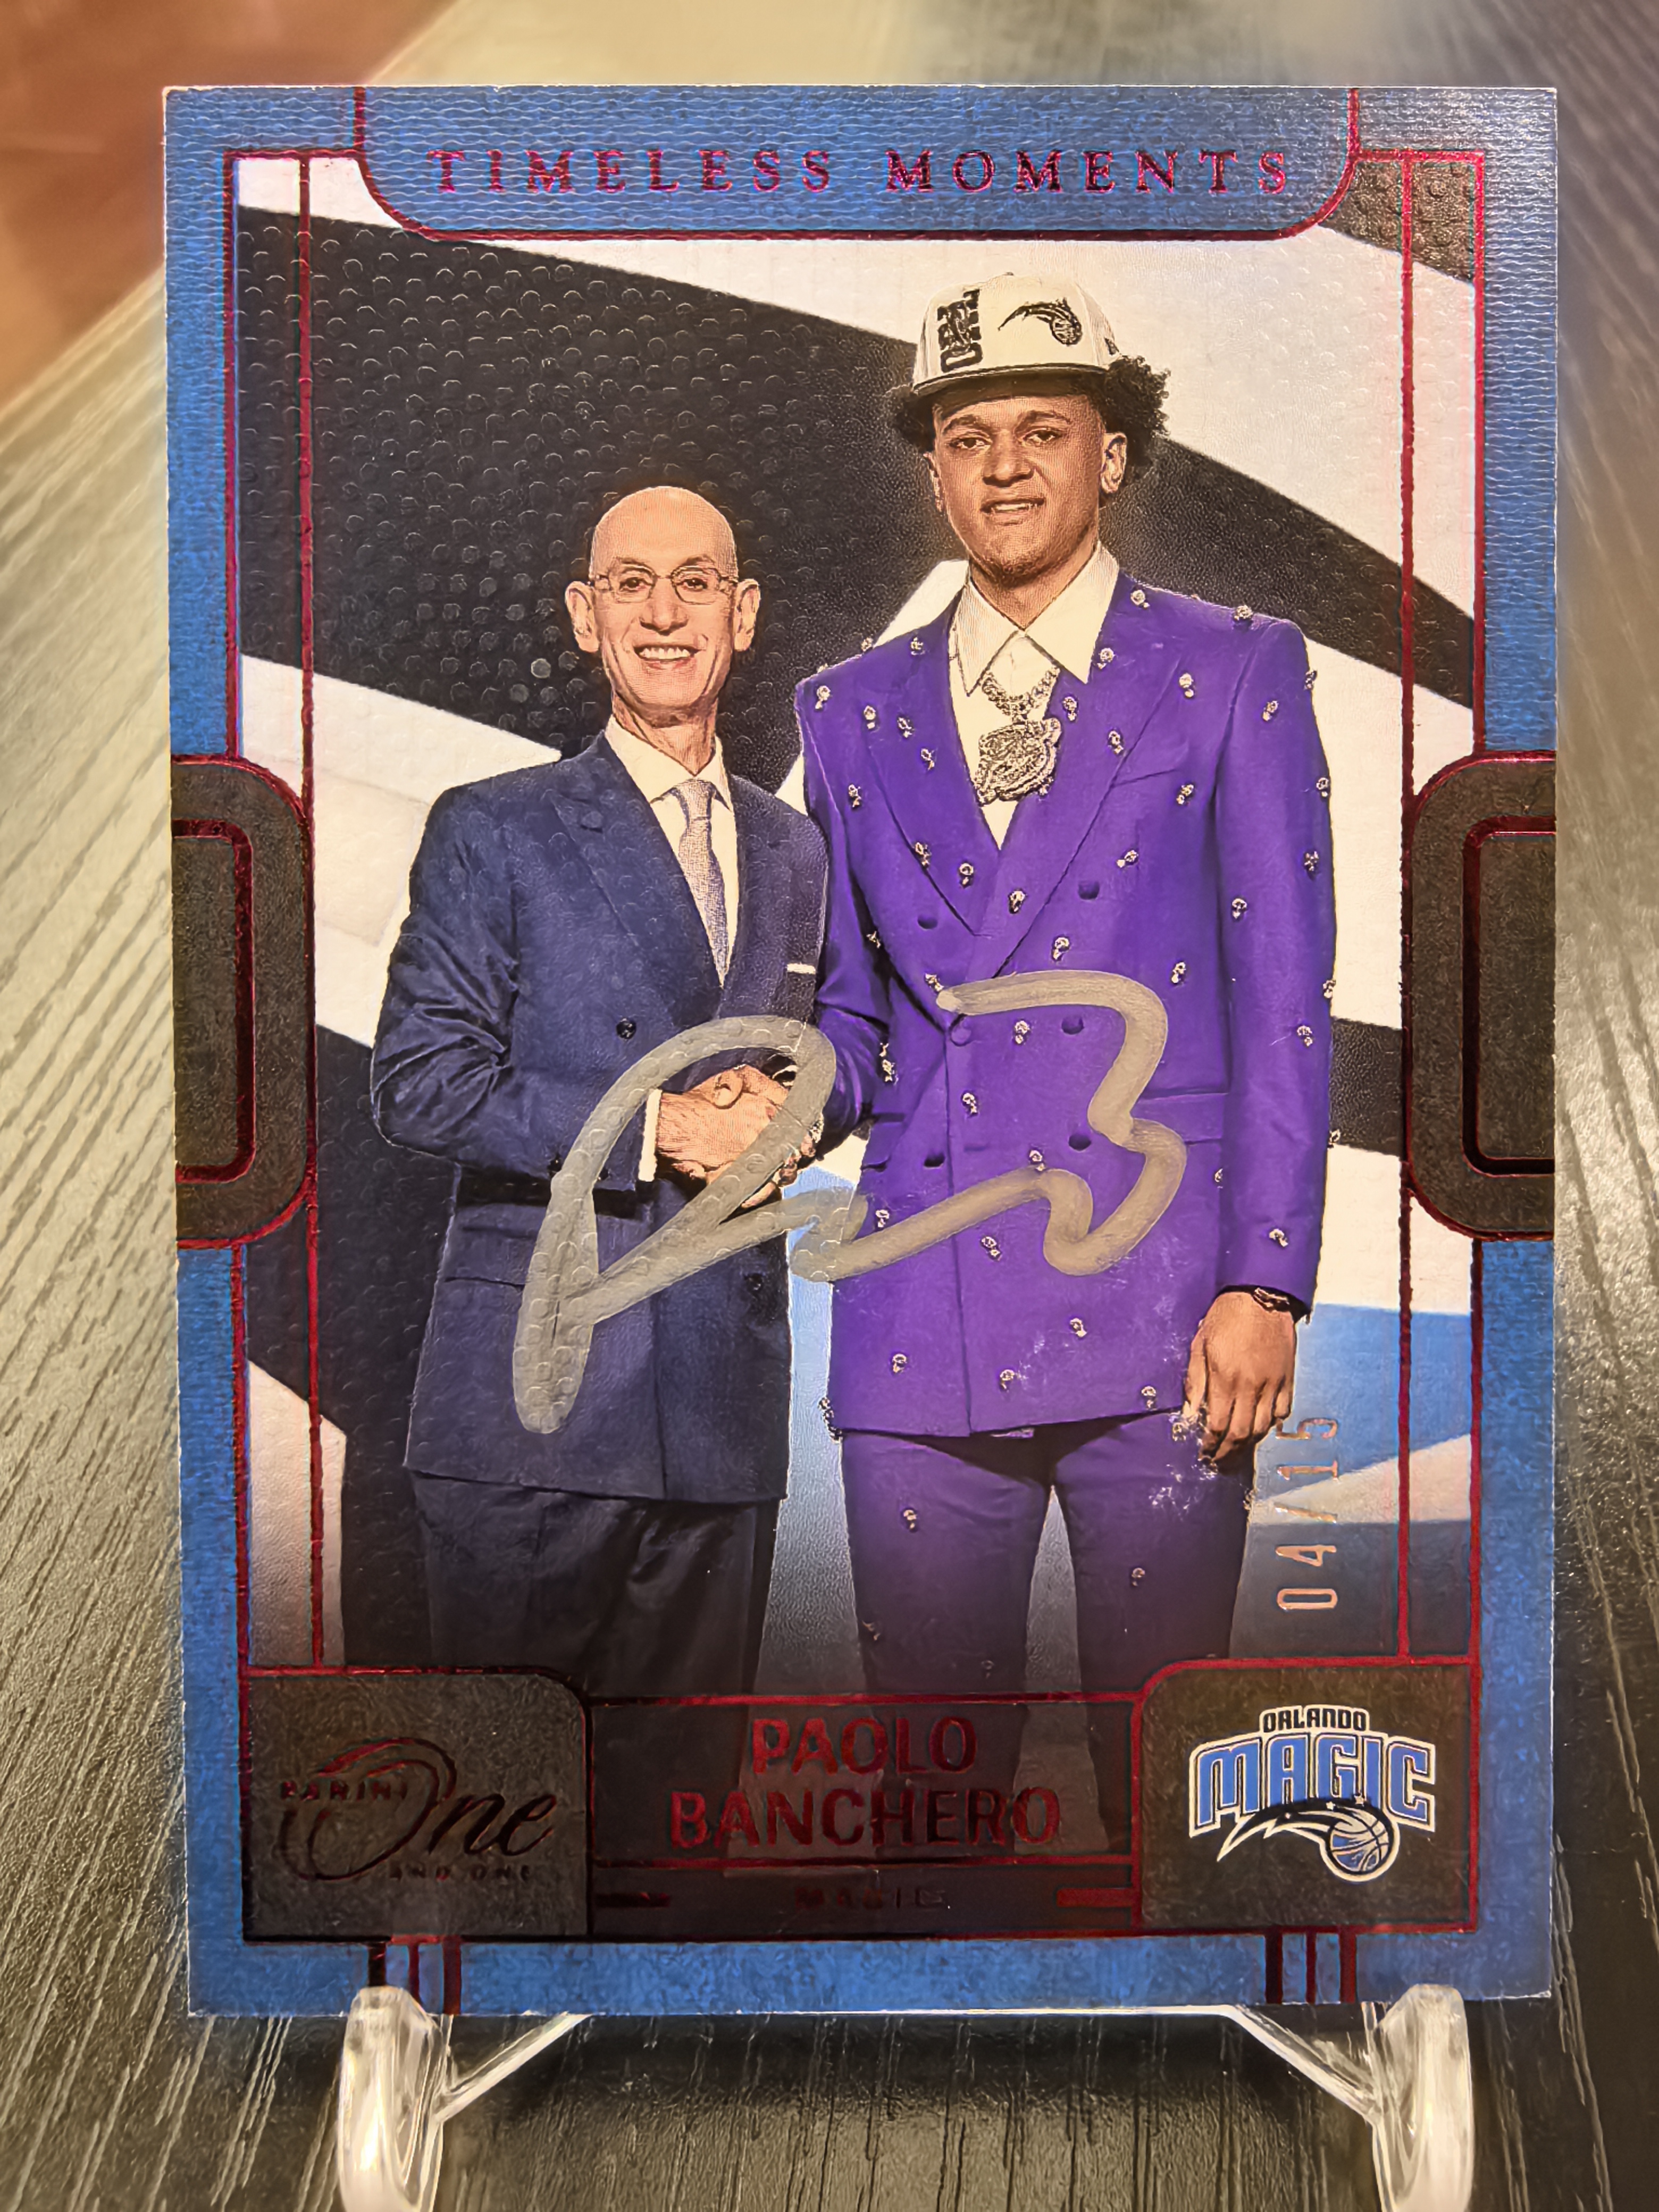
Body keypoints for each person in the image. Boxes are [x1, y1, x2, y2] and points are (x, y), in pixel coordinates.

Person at [798, 273, 1335, 1833]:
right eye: (970, 437)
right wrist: (772, 1103)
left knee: (1170, 1790)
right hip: (922, 1304)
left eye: (1045, 428)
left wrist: (1267, 1284)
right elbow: (851, 1015)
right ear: (934, 472)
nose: (1007, 464)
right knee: (931, 1794)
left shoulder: (1235, 667)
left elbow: (1286, 1001)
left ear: (1115, 452)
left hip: (1167, 1310)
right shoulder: (847, 708)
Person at [371, 484, 826, 1694]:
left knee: (686, 1805)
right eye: (632, 584)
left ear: (743, 613)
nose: (665, 614)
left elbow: (826, 1053)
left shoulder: (794, 848)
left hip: (722, 1417)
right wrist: (658, 1125)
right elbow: (420, 1080)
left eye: (695, 583)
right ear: (586, 616)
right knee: (510, 1802)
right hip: (535, 1420)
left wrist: (798, 1115)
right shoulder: (495, 829)